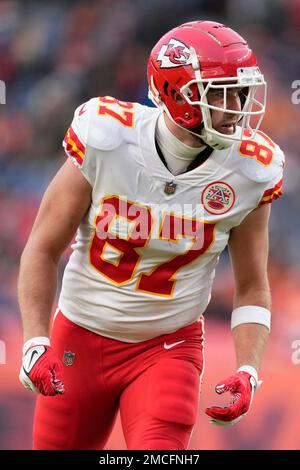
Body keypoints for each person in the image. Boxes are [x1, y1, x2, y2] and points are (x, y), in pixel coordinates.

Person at [18, 20, 284, 450]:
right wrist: (35, 340)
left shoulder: (251, 169)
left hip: (168, 345)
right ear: (179, 93)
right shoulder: (107, 137)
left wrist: (248, 368)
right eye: (221, 93)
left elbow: (253, 285)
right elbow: (43, 247)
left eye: (241, 91)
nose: (237, 106)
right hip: (81, 334)